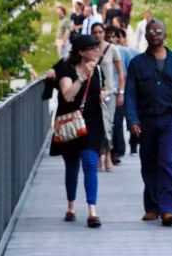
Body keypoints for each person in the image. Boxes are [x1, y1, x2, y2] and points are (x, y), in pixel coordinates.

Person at [125, 19, 172, 226]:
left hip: (170, 120)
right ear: (146, 35)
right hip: (146, 121)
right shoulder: (137, 64)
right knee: (148, 163)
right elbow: (130, 95)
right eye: (150, 31)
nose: (154, 34)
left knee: (167, 162)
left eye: (159, 31)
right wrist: (132, 120)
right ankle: (151, 206)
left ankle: (168, 209)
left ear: (165, 35)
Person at [42, 34, 106, 228]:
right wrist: (82, 77)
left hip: (93, 123)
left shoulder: (99, 69)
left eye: (97, 47)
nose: (97, 51)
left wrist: (104, 94)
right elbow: (68, 96)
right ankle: (71, 205)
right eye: (92, 48)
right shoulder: (65, 69)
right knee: (72, 166)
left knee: (89, 162)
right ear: (81, 52)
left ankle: (92, 210)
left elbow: (100, 90)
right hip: (70, 123)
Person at [90, 22, 125, 171]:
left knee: (108, 125)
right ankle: (100, 156)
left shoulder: (112, 49)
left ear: (104, 33)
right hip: (93, 94)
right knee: (97, 125)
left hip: (110, 93)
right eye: (95, 32)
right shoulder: (89, 50)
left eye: (100, 32)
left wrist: (121, 93)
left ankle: (108, 155)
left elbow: (120, 73)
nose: (97, 35)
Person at [108, 26, 142, 159]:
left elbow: (130, 71)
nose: (111, 39)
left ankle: (133, 144)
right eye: (108, 36)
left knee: (131, 118)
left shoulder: (126, 52)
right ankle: (118, 149)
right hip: (113, 91)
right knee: (117, 120)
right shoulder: (104, 51)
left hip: (126, 91)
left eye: (113, 36)